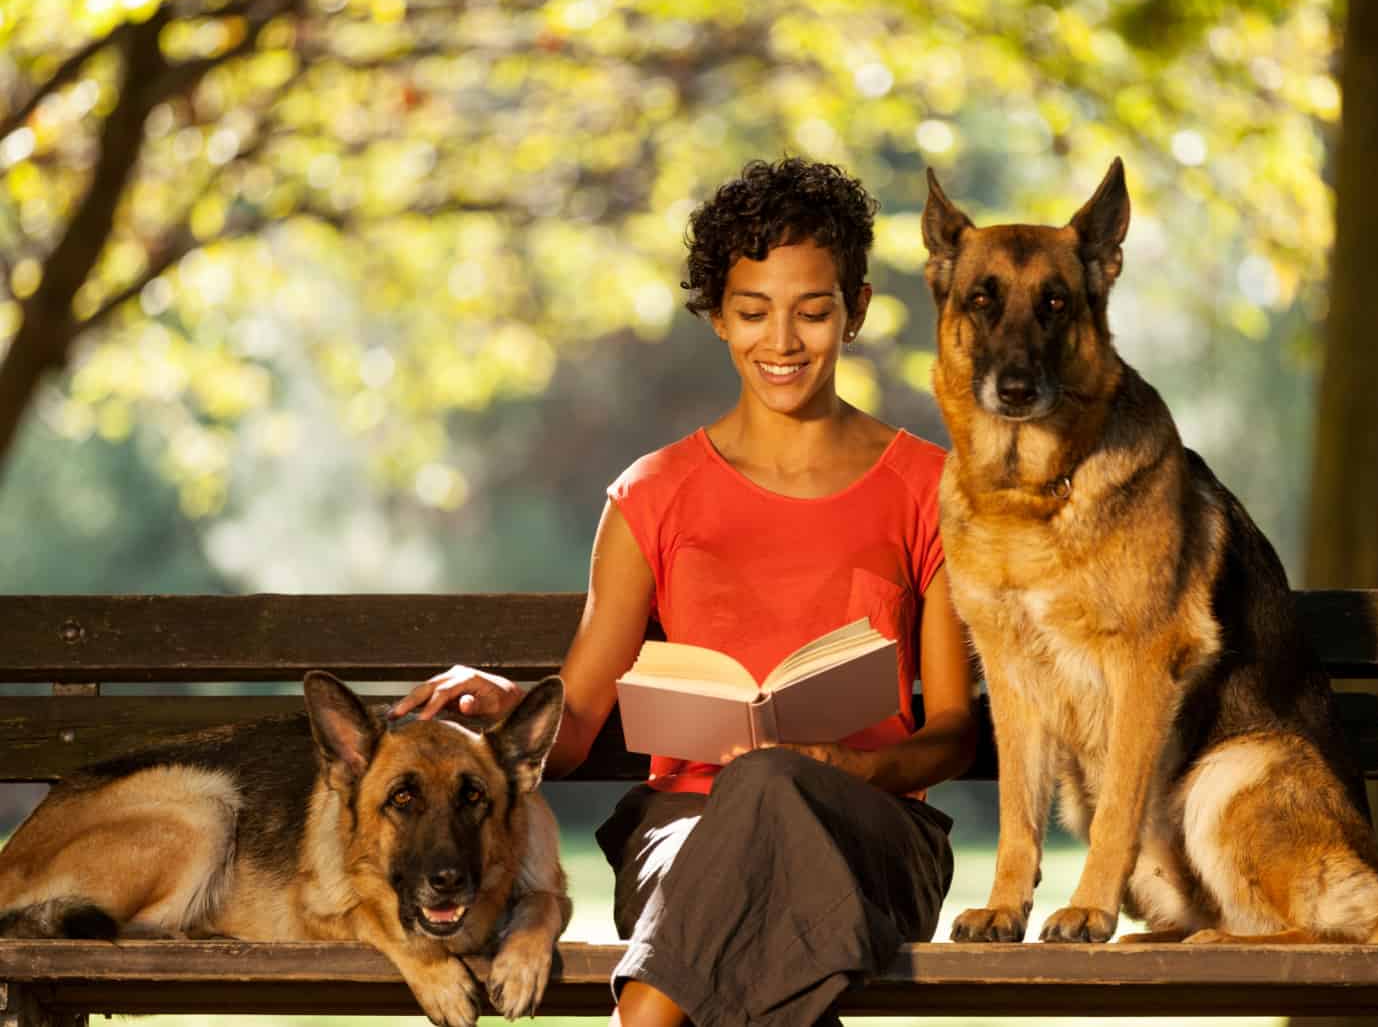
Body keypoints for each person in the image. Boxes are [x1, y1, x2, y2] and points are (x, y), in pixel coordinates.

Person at [393, 157, 977, 1027]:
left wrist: (851, 767)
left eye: (813, 311)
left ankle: (652, 1013)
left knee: (772, 785)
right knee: (752, 820)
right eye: (752, 312)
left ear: (854, 310)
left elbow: (953, 734)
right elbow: (580, 721)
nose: (781, 342)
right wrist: (508, 706)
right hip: (684, 838)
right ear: (715, 315)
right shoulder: (654, 494)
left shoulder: (932, 488)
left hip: (873, 837)